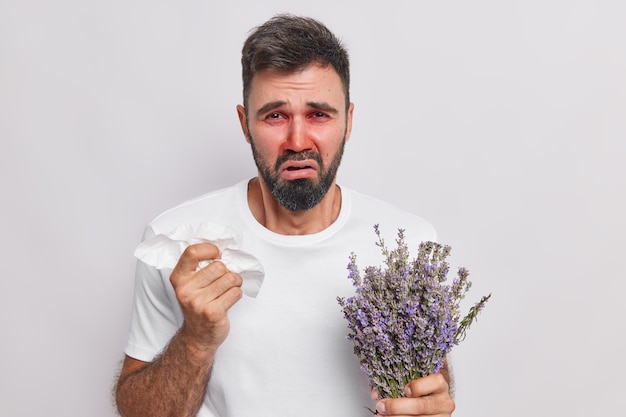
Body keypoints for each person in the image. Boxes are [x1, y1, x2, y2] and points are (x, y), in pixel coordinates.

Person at [115, 14, 456, 417]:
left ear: (348, 121)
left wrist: (429, 400)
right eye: (275, 115)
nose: (297, 141)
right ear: (245, 124)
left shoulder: (411, 244)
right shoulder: (176, 241)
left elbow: (430, 387)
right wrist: (196, 339)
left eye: (319, 114)